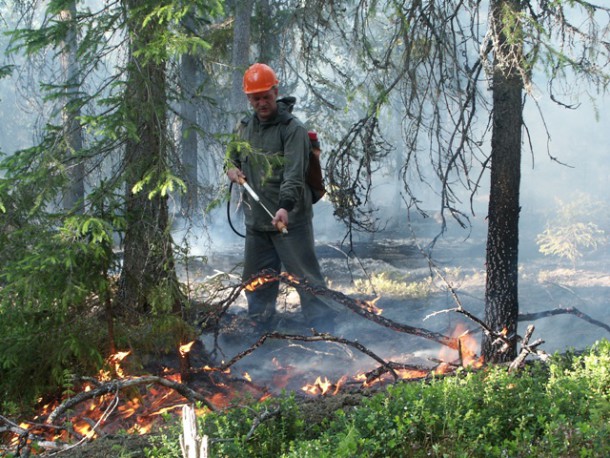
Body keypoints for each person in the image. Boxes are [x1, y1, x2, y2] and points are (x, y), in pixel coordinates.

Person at [225, 63, 339, 332]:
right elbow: (231, 156)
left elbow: (294, 175)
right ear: (248, 99)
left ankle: (324, 329)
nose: (262, 102)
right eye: (256, 98)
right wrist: (230, 168)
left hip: (290, 219)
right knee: (256, 281)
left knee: (306, 278)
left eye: (266, 95)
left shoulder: (292, 129)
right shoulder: (243, 127)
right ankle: (260, 329)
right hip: (257, 222)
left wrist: (285, 207)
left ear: (275, 92)